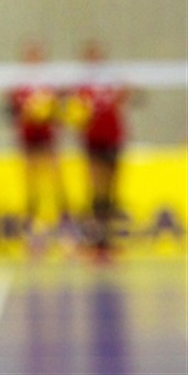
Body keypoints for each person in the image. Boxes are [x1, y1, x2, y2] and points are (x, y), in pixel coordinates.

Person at [66, 39, 138, 257]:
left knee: (111, 190)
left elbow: (129, 96)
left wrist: (125, 89)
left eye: (97, 56)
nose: (94, 60)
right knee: (95, 190)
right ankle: (94, 240)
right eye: (91, 56)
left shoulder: (112, 81)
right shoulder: (81, 85)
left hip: (113, 138)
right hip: (92, 141)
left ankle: (108, 240)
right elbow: (73, 112)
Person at [6, 39, 70, 244]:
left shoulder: (51, 82)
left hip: (48, 138)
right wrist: (27, 114)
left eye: (37, 55)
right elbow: (10, 112)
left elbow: (64, 108)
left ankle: (64, 225)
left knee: (56, 179)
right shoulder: (18, 83)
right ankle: (31, 226)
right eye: (30, 55)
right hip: (27, 138)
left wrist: (49, 113)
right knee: (30, 182)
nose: (34, 59)